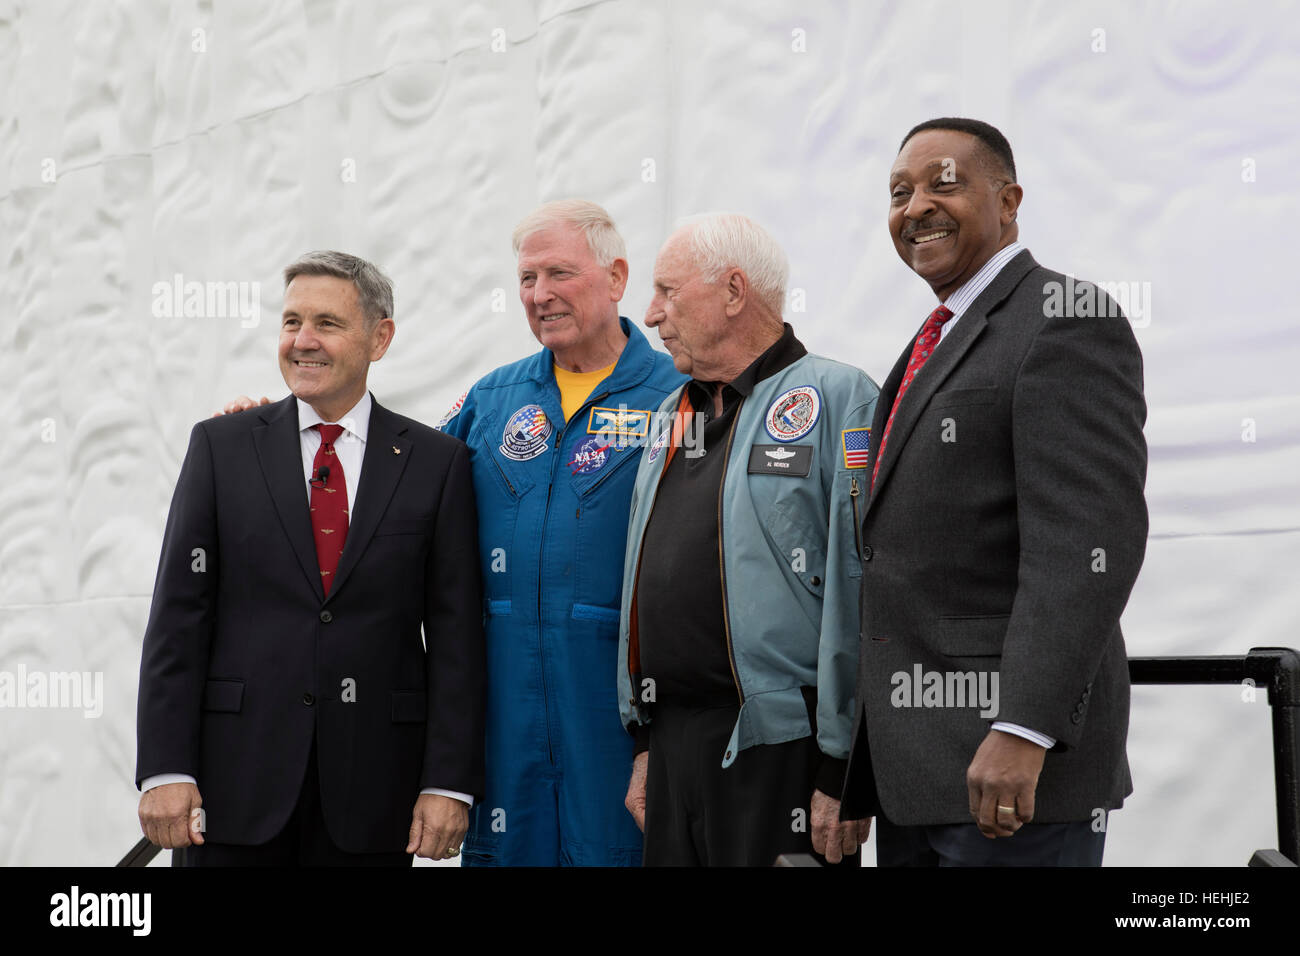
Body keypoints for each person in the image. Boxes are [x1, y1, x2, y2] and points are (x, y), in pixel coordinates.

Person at [839, 118, 1148, 866]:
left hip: (1009, 780)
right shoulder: (929, 341)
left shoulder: (1064, 321)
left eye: (943, 183)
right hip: (916, 778)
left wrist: (1025, 728)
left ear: (1008, 200)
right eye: (898, 192)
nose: (914, 207)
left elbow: (1085, 549)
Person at [135, 251, 485, 866]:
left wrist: (446, 782)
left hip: (376, 798)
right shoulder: (220, 447)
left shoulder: (438, 464)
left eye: (327, 323)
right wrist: (164, 767)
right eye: (291, 321)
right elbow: (177, 618)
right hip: (230, 791)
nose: (303, 341)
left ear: (381, 338)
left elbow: (457, 637)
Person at [618, 213, 879, 866]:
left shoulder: (838, 396)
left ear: (734, 291)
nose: (651, 315)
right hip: (674, 746)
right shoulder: (670, 416)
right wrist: (647, 745)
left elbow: (861, 587)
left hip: (783, 748)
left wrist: (840, 769)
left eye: (667, 292)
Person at [437, 200, 684, 866]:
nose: (539, 295)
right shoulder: (493, 399)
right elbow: (399, 492)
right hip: (505, 713)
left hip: (618, 716)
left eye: (558, 274)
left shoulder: (681, 399)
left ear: (616, 277)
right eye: (526, 279)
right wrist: (275, 434)